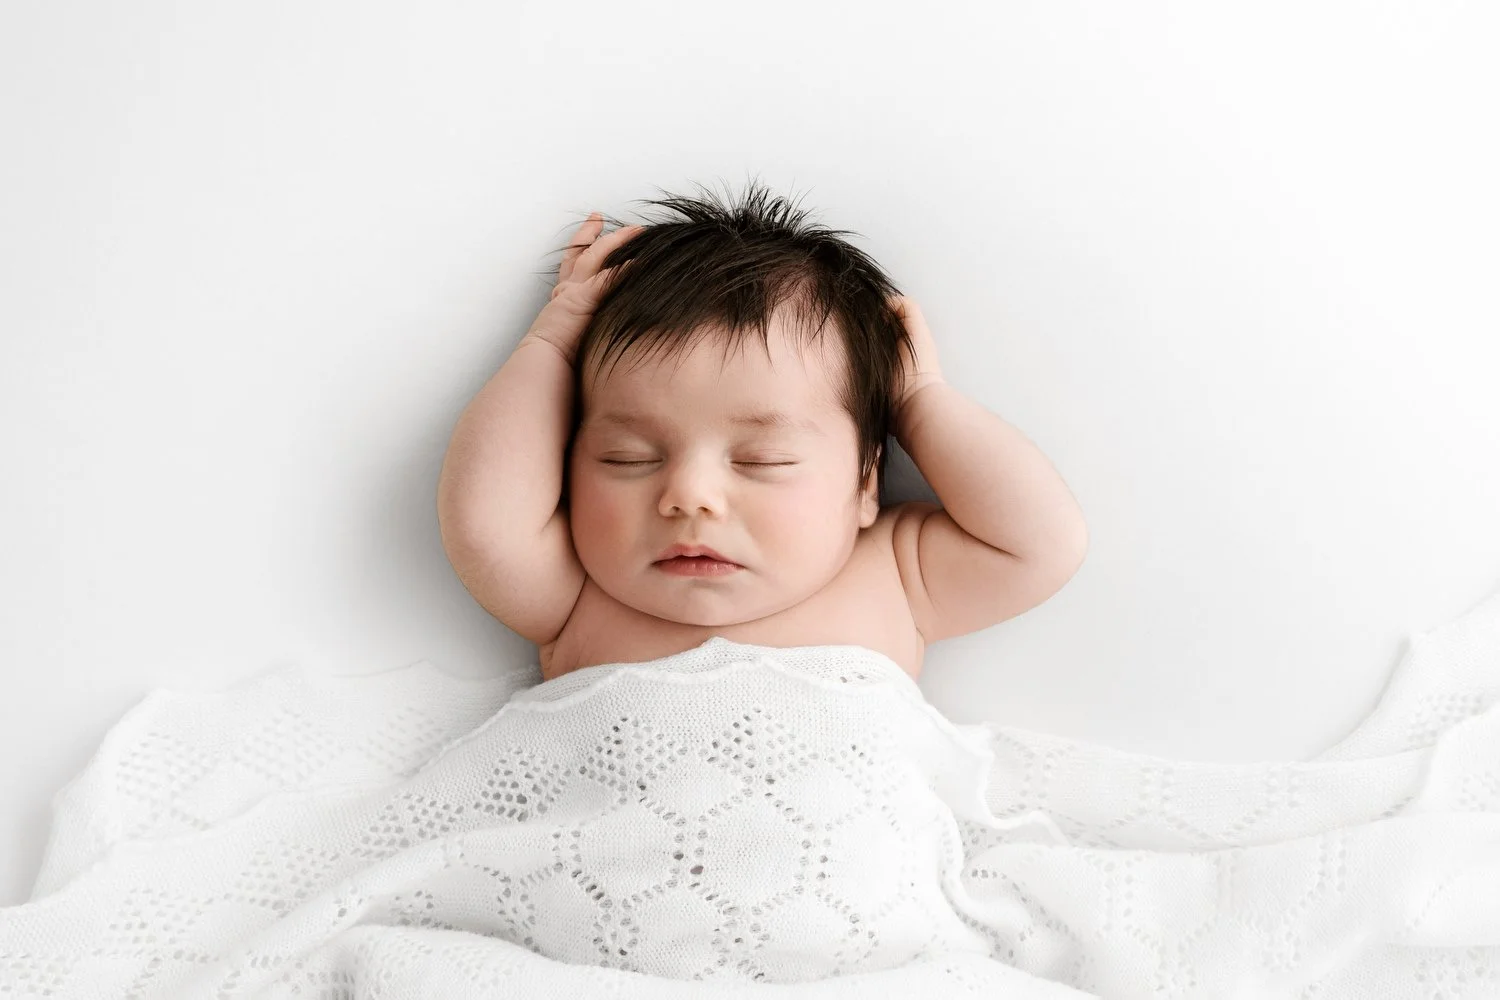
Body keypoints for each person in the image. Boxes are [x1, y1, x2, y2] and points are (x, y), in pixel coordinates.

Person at [437, 182, 1089, 681]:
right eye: (627, 457)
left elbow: (1041, 544)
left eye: (763, 460)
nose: (689, 496)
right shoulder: (577, 593)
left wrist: (917, 401)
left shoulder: (894, 573)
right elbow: (485, 518)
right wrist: (551, 341)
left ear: (866, 482)